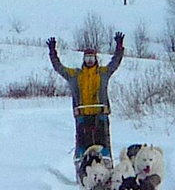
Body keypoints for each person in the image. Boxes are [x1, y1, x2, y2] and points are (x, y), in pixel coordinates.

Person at [48, 31, 124, 160]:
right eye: (87, 58)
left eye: (92, 58)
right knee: (82, 141)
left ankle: (107, 162)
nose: (89, 61)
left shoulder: (103, 73)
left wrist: (119, 47)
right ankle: (80, 162)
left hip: (100, 113)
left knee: (103, 141)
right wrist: (53, 52)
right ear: (83, 59)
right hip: (82, 114)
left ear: (96, 59)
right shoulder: (75, 75)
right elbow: (59, 68)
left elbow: (115, 63)